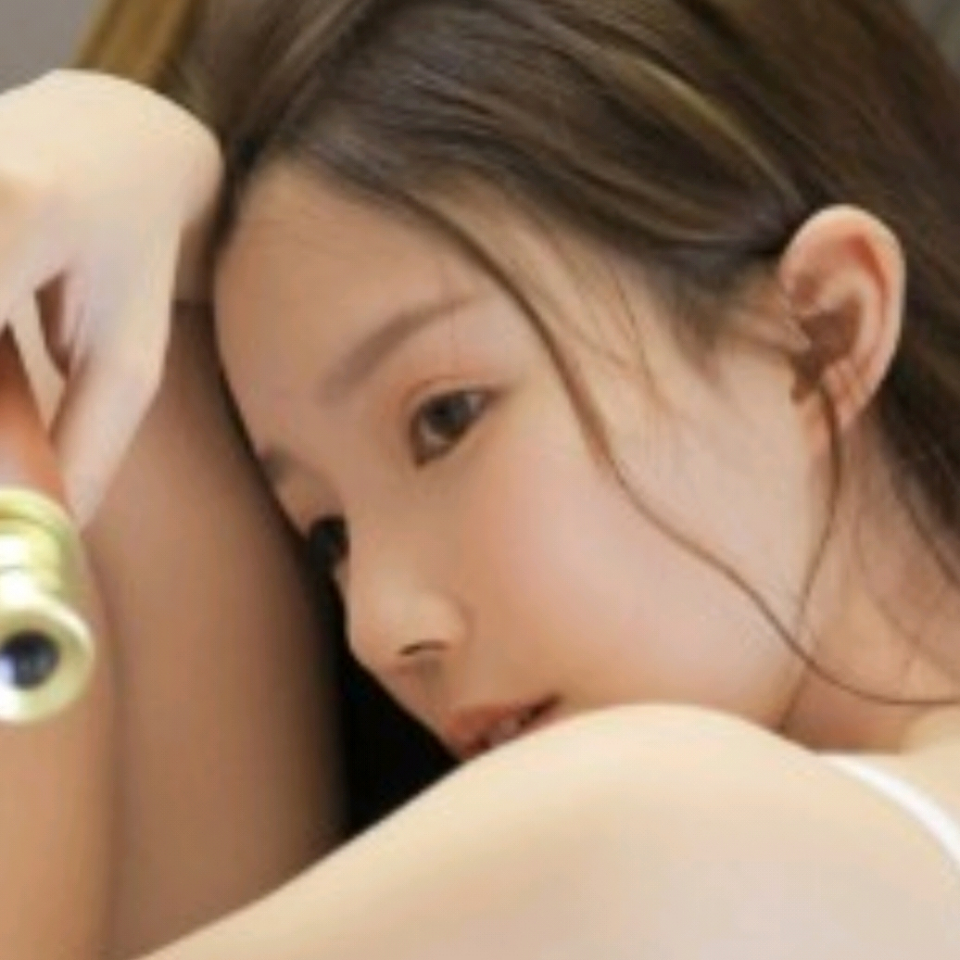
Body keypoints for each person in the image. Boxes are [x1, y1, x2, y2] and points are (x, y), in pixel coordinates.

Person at [2, 0, 960, 956]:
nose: (378, 628)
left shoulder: (654, 845)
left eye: (447, 419)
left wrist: (122, 145)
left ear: (818, 332)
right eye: (329, 536)